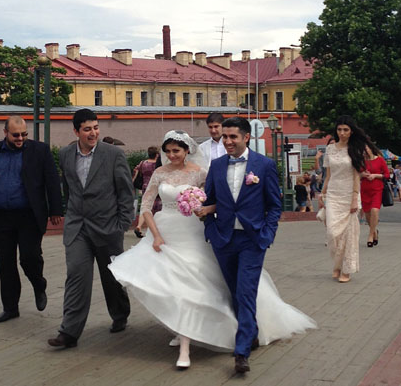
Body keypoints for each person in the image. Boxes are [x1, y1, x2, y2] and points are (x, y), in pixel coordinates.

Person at [109, 129, 316, 372]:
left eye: (176, 150)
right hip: (166, 231)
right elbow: (146, 205)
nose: (171, 155)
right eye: (168, 151)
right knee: (171, 284)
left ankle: (230, 340)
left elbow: (220, 201)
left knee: (203, 285)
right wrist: (154, 234)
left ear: (187, 151)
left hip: (195, 233)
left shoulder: (201, 173)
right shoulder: (159, 173)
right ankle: (182, 327)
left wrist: (203, 209)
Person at [200, 117, 303, 374]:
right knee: (234, 292)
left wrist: (266, 234)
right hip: (224, 240)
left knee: (246, 292)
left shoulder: (264, 165)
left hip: (251, 240)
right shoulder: (216, 165)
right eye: (225, 136)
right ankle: (252, 333)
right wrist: (210, 228)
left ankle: (241, 352)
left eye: (233, 136)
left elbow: (274, 205)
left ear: (246, 137)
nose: (227, 141)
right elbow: (209, 201)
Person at [48, 109, 133, 349]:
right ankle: (69, 332)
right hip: (78, 228)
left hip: (109, 227)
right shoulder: (65, 154)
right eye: (87, 129)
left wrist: (122, 224)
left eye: (95, 127)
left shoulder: (113, 154)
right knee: (76, 275)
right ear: (76, 131)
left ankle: (120, 314)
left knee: (111, 277)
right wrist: (70, 214)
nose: (93, 133)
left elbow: (126, 192)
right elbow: (69, 188)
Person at [0, 116, 63, 323]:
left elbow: (52, 181)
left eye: (24, 134)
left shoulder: (40, 151)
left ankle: (39, 284)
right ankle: (10, 308)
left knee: (29, 257)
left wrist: (56, 210)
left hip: (29, 215)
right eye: (16, 135)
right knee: (6, 263)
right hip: (0, 216)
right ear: (5, 133)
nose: (20, 138)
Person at [317, 115, 368, 284]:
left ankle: (345, 269)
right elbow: (328, 175)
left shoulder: (355, 150)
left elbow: (356, 176)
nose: (342, 133)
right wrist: (321, 194)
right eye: (339, 129)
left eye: (345, 130)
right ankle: (337, 264)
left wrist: (355, 198)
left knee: (348, 234)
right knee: (332, 233)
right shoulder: (330, 149)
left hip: (349, 194)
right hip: (333, 193)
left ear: (351, 132)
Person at [360, 142, 389, 247]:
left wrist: (375, 175)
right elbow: (356, 174)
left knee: (374, 210)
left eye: (366, 148)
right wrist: (362, 174)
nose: (364, 151)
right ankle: (375, 231)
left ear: (371, 148)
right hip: (365, 190)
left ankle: (370, 235)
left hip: (377, 189)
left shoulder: (380, 160)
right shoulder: (361, 161)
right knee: (367, 214)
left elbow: (387, 175)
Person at [133, 146, 160, 237]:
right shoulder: (158, 164)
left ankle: (139, 226)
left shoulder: (143, 163)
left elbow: (136, 170)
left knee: (145, 207)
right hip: (157, 186)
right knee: (157, 207)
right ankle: (154, 227)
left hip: (145, 186)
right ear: (156, 154)